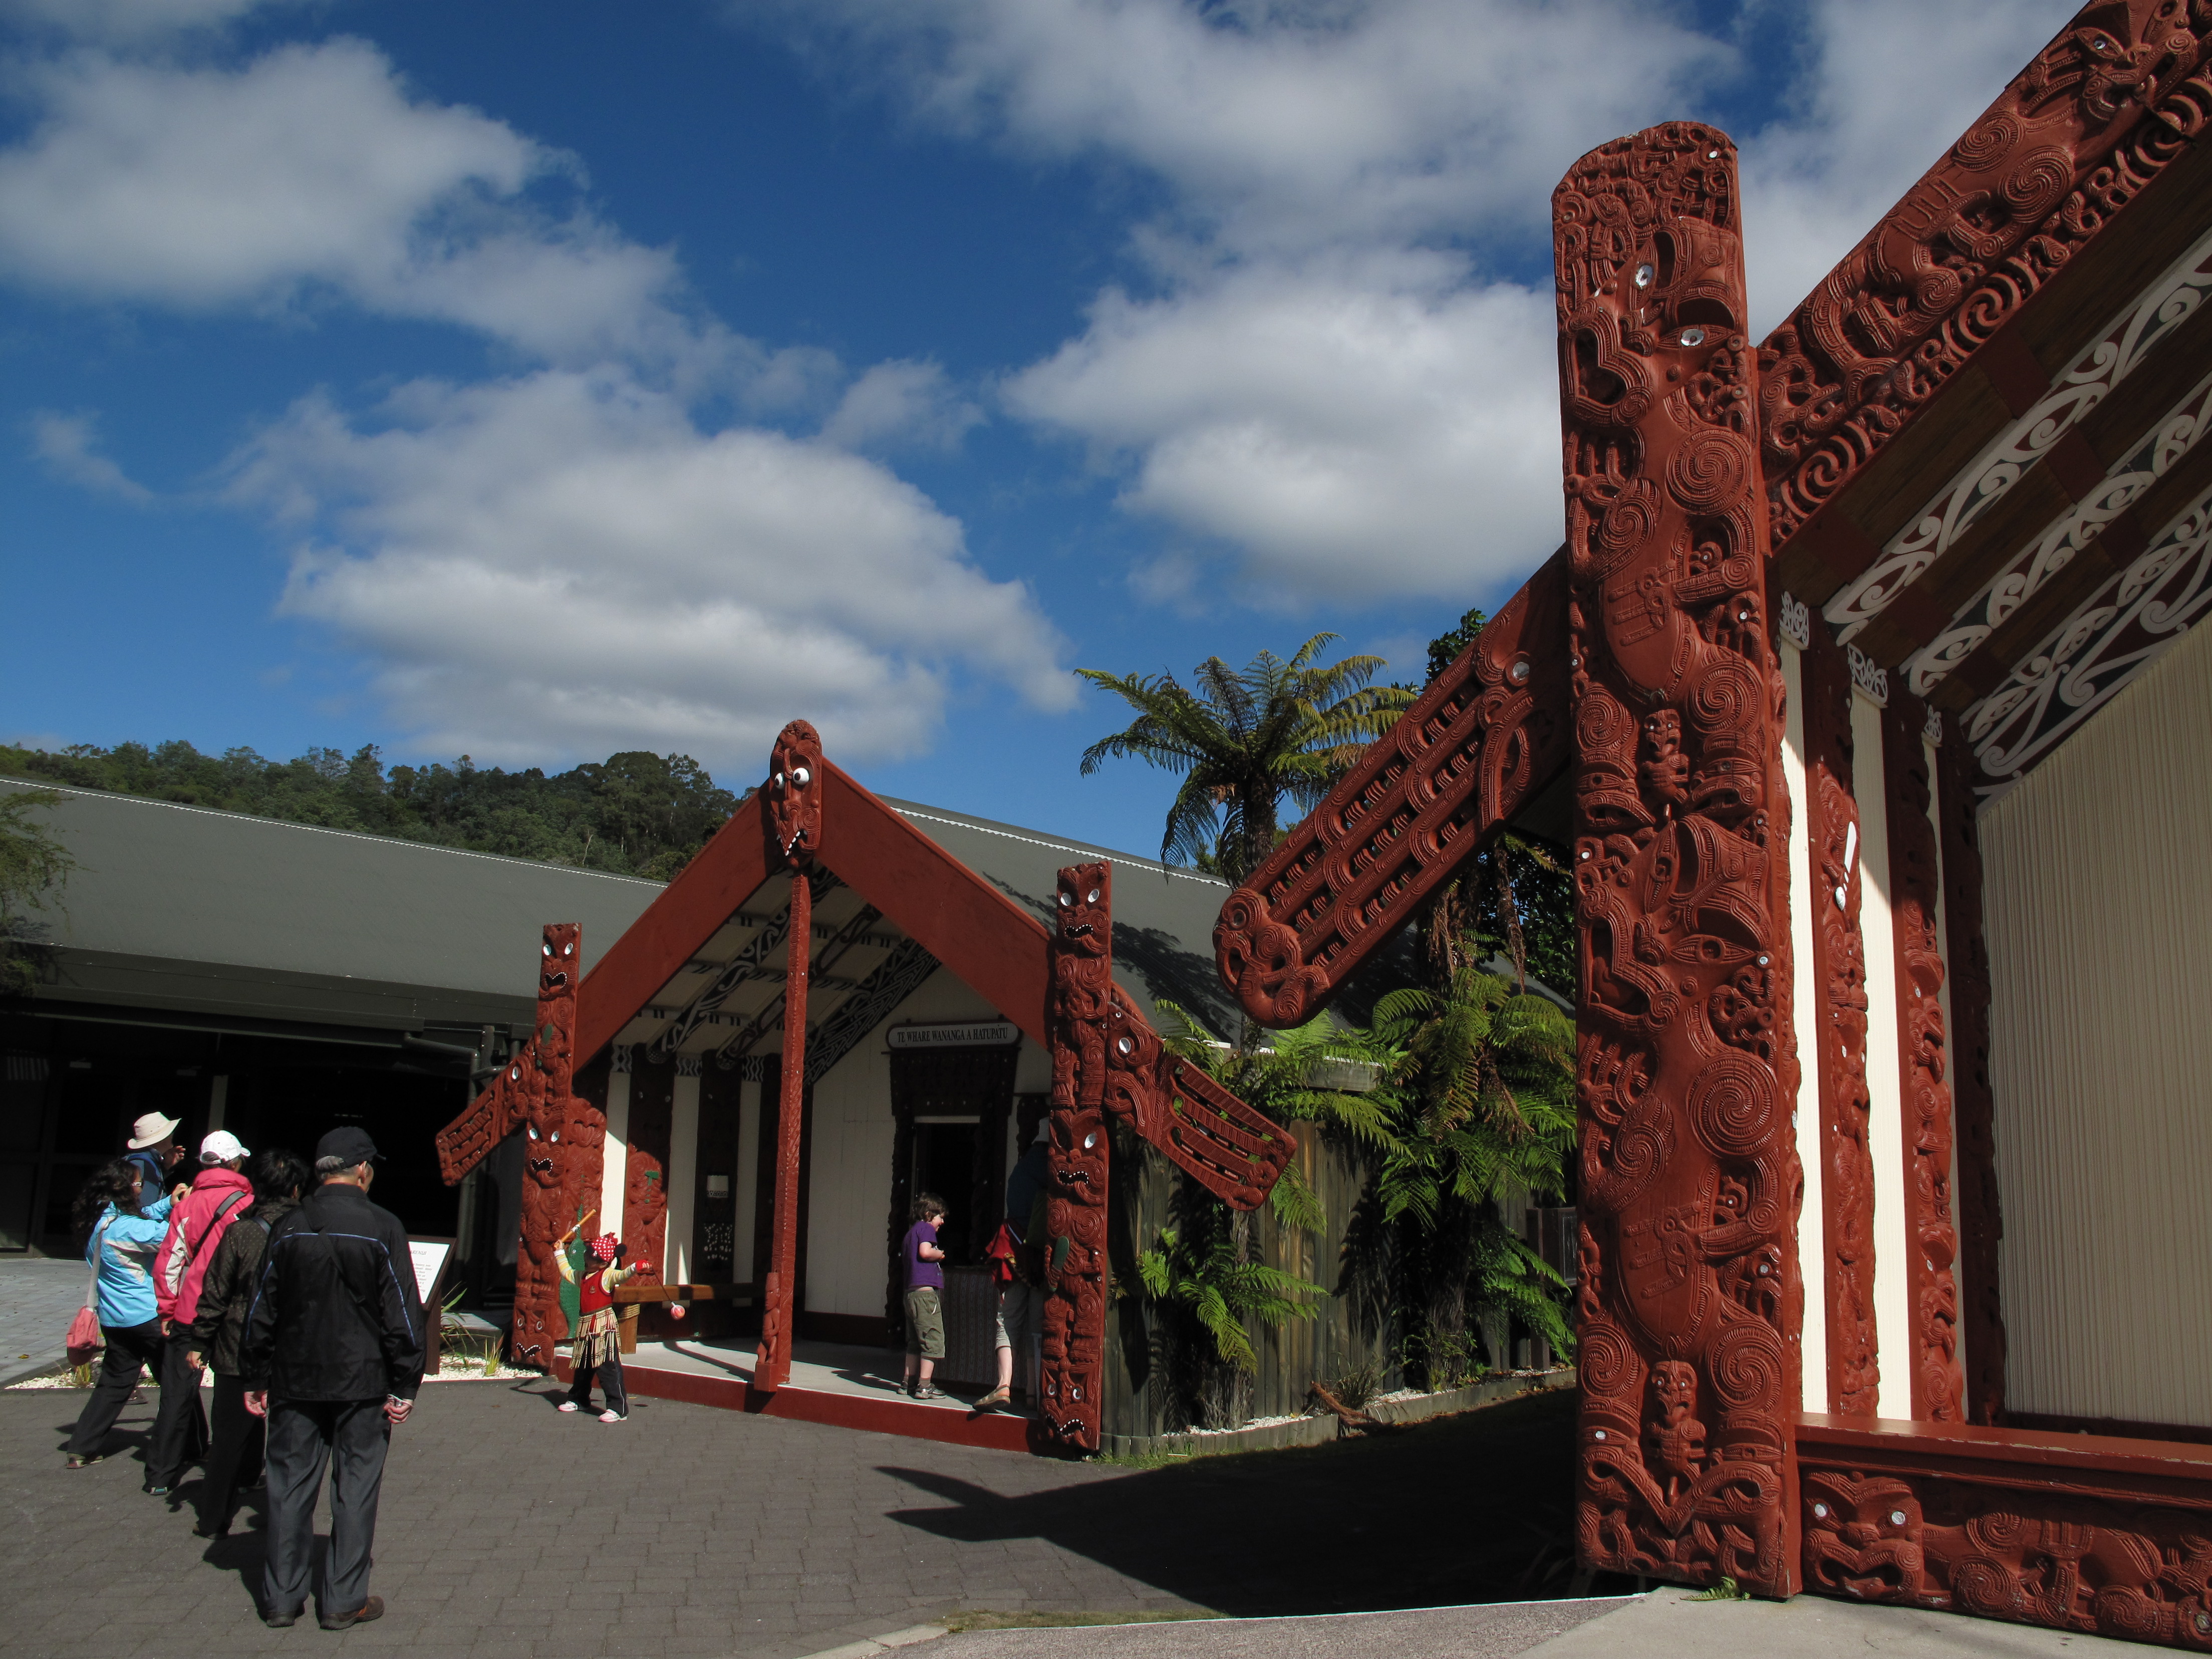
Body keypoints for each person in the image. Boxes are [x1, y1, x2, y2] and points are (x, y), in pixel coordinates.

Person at [240, 1127, 424, 1631]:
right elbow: (402, 1316)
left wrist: (254, 1372)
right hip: (363, 1379)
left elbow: (262, 1308)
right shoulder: (383, 1226)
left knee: (288, 1485)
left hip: (295, 1376)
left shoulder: (289, 1227)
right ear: (362, 1170)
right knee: (357, 1486)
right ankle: (344, 1599)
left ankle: (281, 1598)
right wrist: (406, 1383)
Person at [185, 1146, 308, 1538]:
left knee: (226, 1440)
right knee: (291, 1444)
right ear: (295, 1191)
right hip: (293, 1349)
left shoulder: (240, 1231)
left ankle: (212, 1519)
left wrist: (199, 1341)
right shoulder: (309, 1232)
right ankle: (284, 1523)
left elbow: (216, 1292)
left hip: (237, 1344)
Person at [145, 1128, 255, 1499]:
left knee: (175, 1394)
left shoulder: (186, 1204)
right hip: (232, 1312)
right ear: (235, 1161)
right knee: (243, 1393)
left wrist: (166, 1308)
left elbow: (169, 1262)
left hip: (190, 1310)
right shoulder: (245, 1203)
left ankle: (160, 1473)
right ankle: (245, 1471)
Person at [61, 1160, 175, 1470]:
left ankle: (81, 1448)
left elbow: (140, 1218)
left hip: (114, 1319)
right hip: (147, 1317)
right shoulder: (129, 1228)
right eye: (138, 1185)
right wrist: (187, 1209)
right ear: (126, 1190)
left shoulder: (98, 1222)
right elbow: (170, 1237)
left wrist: (167, 1203)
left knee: (113, 1385)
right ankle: (189, 1446)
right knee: (178, 1384)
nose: (141, 1191)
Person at [978, 1119, 1050, 1412]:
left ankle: (1004, 1385)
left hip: (1014, 1249)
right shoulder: (1056, 1167)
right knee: (1037, 1324)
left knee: (1007, 1320)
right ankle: (1035, 1393)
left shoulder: (1022, 1169)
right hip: (1043, 1254)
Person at [557, 1230, 635, 1423]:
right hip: (586, 1326)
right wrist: (559, 1252)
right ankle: (578, 1399)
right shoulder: (583, 1276)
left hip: (603, 1327)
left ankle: (618, 1408)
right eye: (588, 1254)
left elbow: (622, 1276)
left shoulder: (607, 1275)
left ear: (603, 1263)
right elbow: (566, 1271)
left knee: (608, 1367)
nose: (587, 1259)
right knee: (583, 1366)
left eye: (592, 1258)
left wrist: (635, 1268)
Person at [901, 1192, 949, 1401]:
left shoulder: (910, 1233)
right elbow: (926, 1252)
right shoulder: (926, 1229)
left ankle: (907, 1382)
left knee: (914, 1341)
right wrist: (940, 1254)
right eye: (940, 1217)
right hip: (925, 1296)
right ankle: (925, 1386)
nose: (942, 1222)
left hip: (910, 1295)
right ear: (929, 1215)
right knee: (932, 1339)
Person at [122, 1113, 188, 1201]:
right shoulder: (144, 1166)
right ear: (162, 1139)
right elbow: (145, 1206)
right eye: (170, 1132)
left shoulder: (142, 1162)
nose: (172, 1134)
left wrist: (164, 1168)